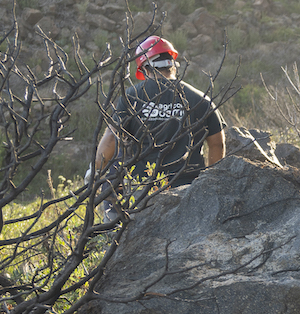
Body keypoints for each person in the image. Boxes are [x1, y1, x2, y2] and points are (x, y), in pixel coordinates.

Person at [91, 36, 225, 202]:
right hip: (190, 189)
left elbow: (111, 140)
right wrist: (212, 182)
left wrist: (97, 172)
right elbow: (216, 144)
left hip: (144, 190)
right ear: (173, 67)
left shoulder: (132, 97)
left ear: (145, 69)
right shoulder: (200, 99)